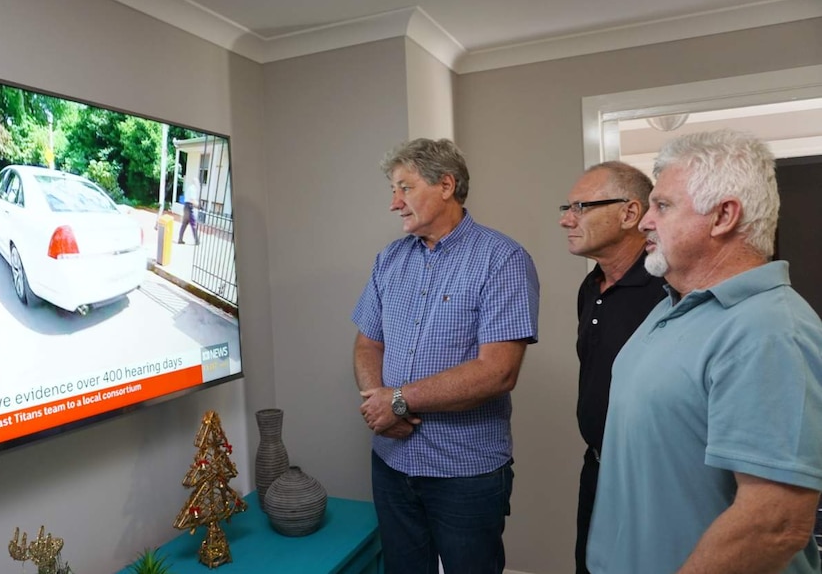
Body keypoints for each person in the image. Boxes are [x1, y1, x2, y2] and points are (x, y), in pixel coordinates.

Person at [587, 129, 822, 574]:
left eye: (663, 206)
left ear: (723, 216)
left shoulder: (770, 329)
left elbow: (774, 523)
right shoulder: (668, 306)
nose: (643, 222)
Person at [351, 138, 540, 574]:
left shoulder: (503, 259)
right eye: (392, 190)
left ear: (446, 185)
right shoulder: (389, 260)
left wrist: (398, 401)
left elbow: (498, 372)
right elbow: (368, 343)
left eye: (405, 187)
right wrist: (378, 400)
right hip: (392, 463)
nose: (394, 203)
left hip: (465, 472)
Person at [559, 161, 666, 574]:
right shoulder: (591, 288)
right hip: (599, 468)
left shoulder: (669, 289)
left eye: (581, 207)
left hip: (653, 478)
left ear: (629, 213)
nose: (566, 219)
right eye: (567, 207)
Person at [178, 177, 200, 245]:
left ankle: (180, 239)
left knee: (184, 224)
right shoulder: (193, 189)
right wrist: (199, 206)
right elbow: (192, 200)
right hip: (190, 208)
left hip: (186, 207)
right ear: (196, 183)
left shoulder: (189, 188)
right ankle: (197, 241)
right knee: (193, 224)